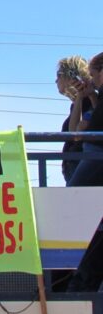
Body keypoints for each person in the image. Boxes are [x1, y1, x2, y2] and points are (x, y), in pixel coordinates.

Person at [65, 51, 103, 292]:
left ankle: (76, 279)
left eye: (94, 75)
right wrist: (85, 97)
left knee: (71, 205)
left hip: (95, 155)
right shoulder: (97, 98)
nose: (92, 80)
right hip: (91, 153)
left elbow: (78, 134)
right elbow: (75, 132)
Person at [55, 55, 94, 182]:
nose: (56, 80)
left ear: (71, 75)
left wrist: (80, 97)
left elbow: (74, 133)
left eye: (59, 75)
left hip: (81, 165)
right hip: (75, 165)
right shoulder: (78, 102)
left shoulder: (89, 100)